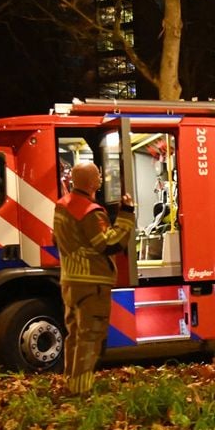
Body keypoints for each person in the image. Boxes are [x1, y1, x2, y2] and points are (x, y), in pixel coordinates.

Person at [54, 162, 134, 396]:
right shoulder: (89, 211)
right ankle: (81, 391)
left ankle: (71, 383)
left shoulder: (62, 206)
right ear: (91, 182)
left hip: (70, 282)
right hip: (91, 284)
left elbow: (58, 239)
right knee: (90, 337)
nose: (100, 177)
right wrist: (126, 214)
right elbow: (109, 244)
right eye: (97, 175)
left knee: (74, 336)